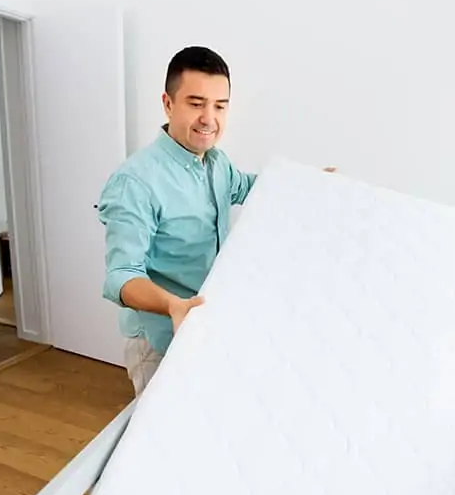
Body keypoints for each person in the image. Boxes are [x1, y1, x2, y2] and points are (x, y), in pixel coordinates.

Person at [97, 46, 332, 394]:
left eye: (219, 106)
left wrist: (308, 182)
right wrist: (172, 305)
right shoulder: (136, 182)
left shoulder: (216, 163)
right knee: (163, 437)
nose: (209, 117)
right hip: (161, 335)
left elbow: (251, 188)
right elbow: (122, 276)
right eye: (196, 103)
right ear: (167, 103)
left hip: (205, 324)